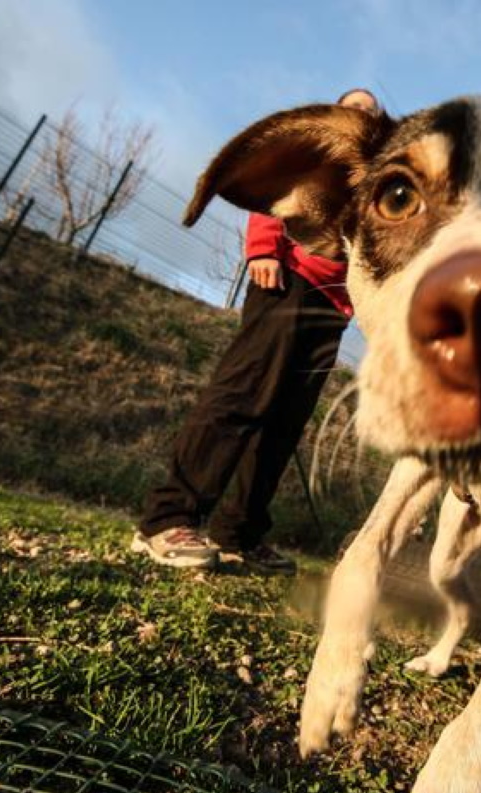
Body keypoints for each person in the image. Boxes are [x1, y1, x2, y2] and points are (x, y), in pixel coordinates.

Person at [131, 89, 384, 574]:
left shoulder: (370, 175)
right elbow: (278, 193)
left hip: (335, 308)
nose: (364, 116)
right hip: (288, 283)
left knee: (285, 421)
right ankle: (166, 519)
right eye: (355, 107)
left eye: (372, 113)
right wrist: (264, 249)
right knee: (242, 396)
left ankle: (238, 535)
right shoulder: (314, 153)